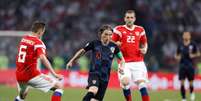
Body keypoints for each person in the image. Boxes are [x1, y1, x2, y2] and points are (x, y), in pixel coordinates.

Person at [66, 25, 125, 101]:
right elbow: (82, 51)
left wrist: (122, 67)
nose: (108, 36)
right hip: (95, 73)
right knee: (93, 90)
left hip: (105, 77)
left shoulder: (114, 47)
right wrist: (72, 61)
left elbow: (122, 60)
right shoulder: (95, 43)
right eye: (106, 34)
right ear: (101, 34)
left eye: (110, 35)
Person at [15, 21, 63, 101]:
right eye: (43, 32)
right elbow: (43, 58)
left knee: (22, 96)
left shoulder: (24, 39)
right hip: (31, 75)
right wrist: (54, 74)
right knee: (59, 86)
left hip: (19, 75)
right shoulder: (38, 43)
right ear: (40, 32)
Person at [112, 10, 150, 101]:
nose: (129, 19)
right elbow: (111, 42)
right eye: (128, 17)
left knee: (142, 84)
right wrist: (115, 43)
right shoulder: (118, 29)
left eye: (131, 17)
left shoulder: (140, 29)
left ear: (134, 19)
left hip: (138, 62)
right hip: (124, 62)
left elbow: (145, 43)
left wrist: (145, 49)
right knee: (125, 83)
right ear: (124, 18)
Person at [175, 32, 200, 101]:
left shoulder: (193, 44)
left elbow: (198, 53)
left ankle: (192, 93)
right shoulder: (180, 45)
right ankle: (183, 98)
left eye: (187, 35)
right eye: (184, 35)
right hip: (182, 66)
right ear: (183, 36)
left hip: (190, 66)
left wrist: (193, 55)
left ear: (189, 37)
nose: (186, 36)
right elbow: (176, 55)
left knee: (191, 83)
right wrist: (178, 57)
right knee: (182, 83)